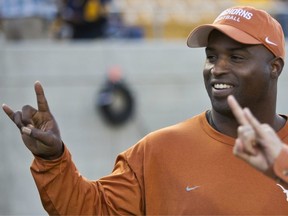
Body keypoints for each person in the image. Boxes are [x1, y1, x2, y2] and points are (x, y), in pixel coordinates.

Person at [3, 5, 288, 215]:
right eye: (211, 56)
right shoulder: (158, 150)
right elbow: (94, 210)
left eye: (236, 57)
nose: (218, 68)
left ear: (274, 68)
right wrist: (52, 159)